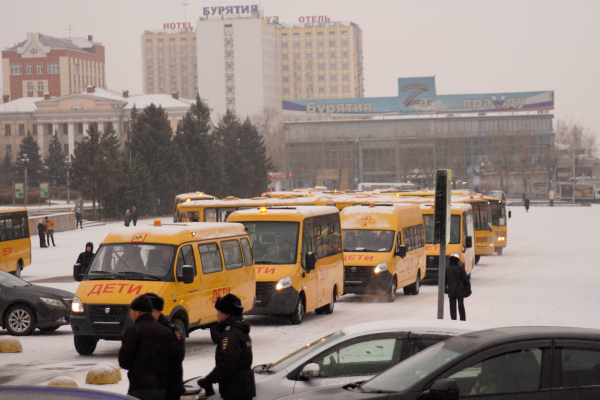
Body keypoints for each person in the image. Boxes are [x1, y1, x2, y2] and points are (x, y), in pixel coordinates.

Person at [197, 294, 255, 400]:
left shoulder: (230, 335)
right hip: (242, 388)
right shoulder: (240, 330)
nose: (217, 315)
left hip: (235, 390)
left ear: (226, 313)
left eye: (218, 311)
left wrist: (208, 380)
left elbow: (227, 364)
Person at [118, 294, 175, 400]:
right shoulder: (166, 331)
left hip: (139, 389)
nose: (131, 315)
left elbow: (124, 362)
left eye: (131, 311)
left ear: (137, 312)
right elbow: (173, 361)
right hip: (162, 389)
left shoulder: (133, 331)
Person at [146, 293, 185, 400]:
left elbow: (177, 357)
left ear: (158, 312)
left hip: (168, 387)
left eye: (150, 312)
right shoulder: (144, 328)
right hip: (152, 387)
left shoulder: (171, 330)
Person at [445, 252, 471, 321]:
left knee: (452, 307)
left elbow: (444, 281)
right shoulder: (461, 268)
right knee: (461, 305)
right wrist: (468, 289)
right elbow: (466, 280)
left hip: (451, 291)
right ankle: (462, 320)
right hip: (460, 290)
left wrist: (445, 289)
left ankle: (453, 320)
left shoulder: (448, 269)